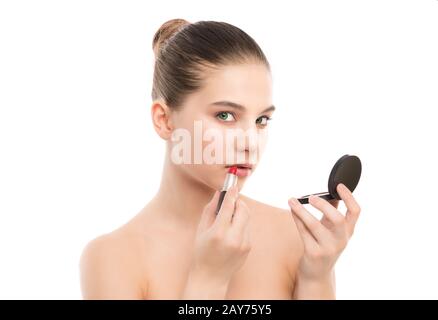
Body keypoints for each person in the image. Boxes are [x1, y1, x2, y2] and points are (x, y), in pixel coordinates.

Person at [79, 19, 361, 300]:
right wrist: (209, 278)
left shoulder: (296, 238)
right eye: (225, 115)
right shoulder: (111, 259)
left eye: (261, 120)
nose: (250, 142)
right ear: (164, 120)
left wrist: (317, 275)